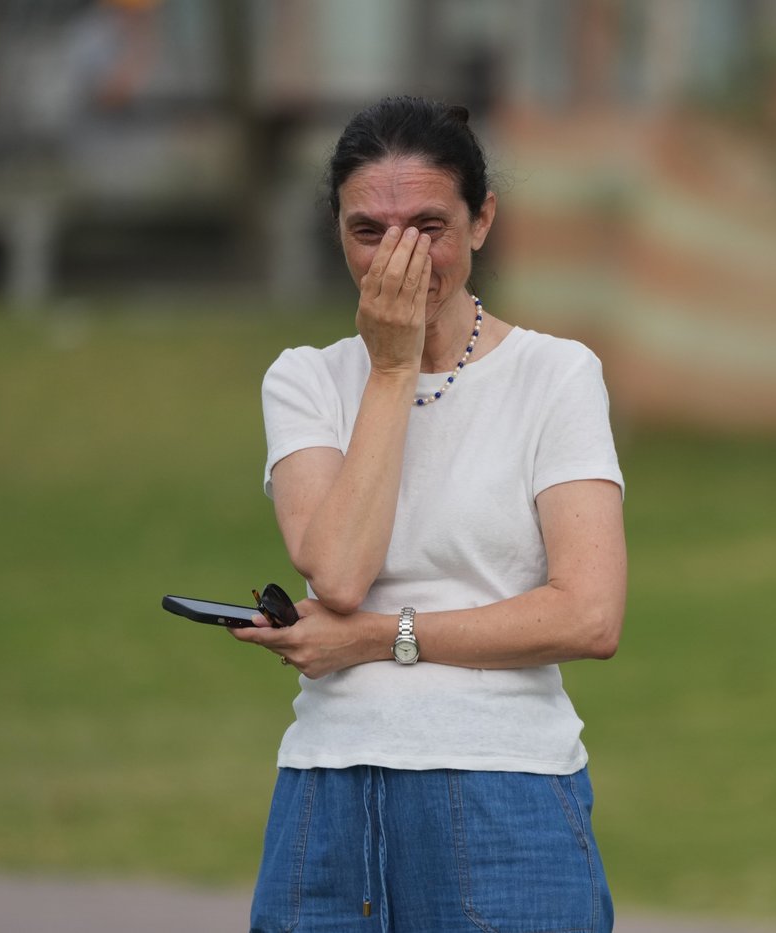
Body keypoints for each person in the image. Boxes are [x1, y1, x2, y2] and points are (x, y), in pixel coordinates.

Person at [231, 95, 625, 932]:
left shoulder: (556, 376)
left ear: (483, 220)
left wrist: (377, 637)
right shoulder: (305, 380)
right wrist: (390, 369)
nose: (399, 255)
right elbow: (338, 571)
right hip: (328, 787)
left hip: (502, 785)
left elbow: (590, 614)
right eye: (368, 230)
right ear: (335, 230)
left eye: (428, 226)